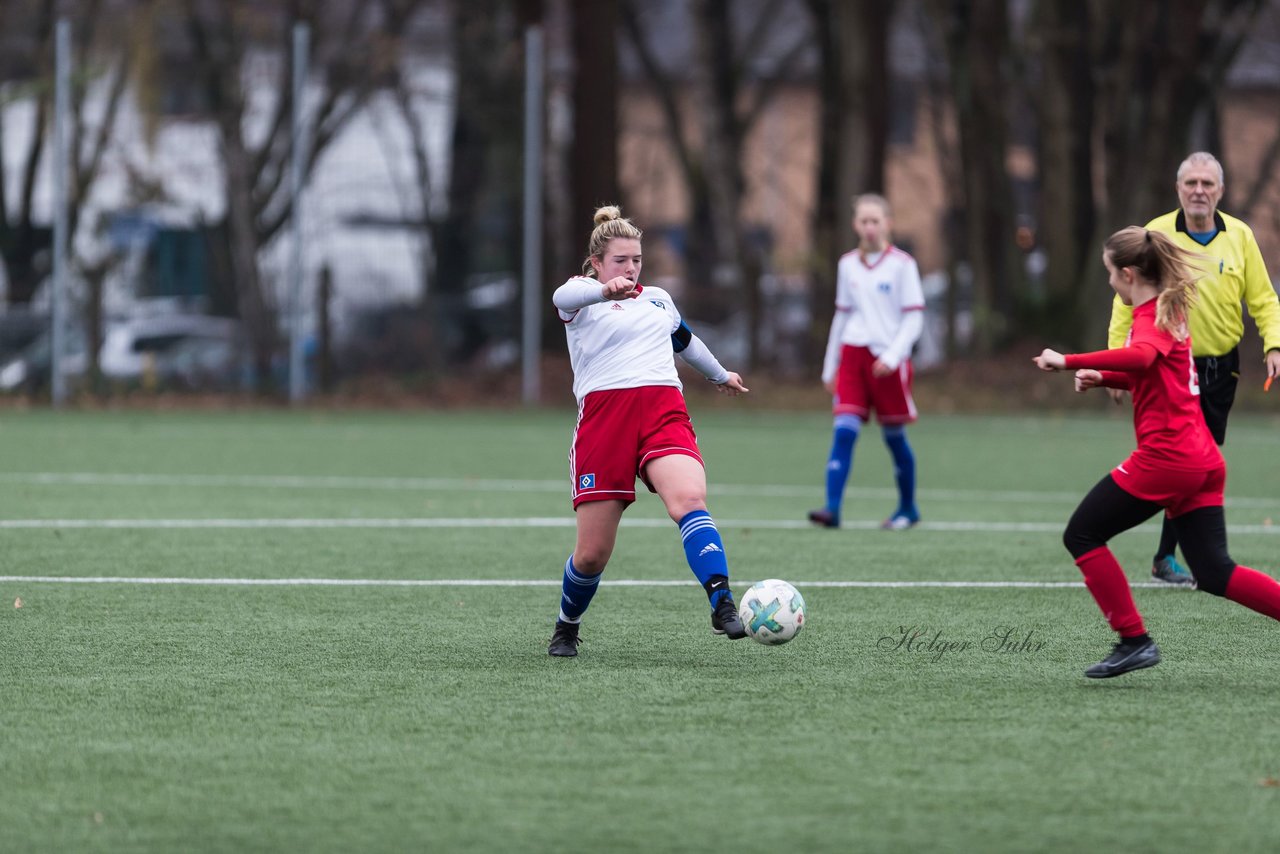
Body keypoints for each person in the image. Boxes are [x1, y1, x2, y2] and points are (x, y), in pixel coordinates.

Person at [1034, 226, 1280, 678]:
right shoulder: (1170, 307)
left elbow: (1144, 357)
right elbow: (1153, 370)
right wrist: (1103, 378)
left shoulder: (1153, 317)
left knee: (1082, 535)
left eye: (1110, 274)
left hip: (1169, 459)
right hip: (1201, 458)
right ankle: (1135, 641)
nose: (1109, 282)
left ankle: (1134, 640)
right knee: (1214, 572)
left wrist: (1071, 361)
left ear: (1128, 274)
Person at [547, 205, 751, 657]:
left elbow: (686, 342)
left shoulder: (657, 297)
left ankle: (722, 602)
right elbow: (562, 297)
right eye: (621, 260)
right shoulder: (583, 294)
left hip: (663, 410)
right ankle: (567, 625)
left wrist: (721, 375)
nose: (631, 268)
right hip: (606, 421)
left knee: (690, 500)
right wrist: (603, 290)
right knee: (593, 554)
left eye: (636, 260)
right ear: (598, 261)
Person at [1107, 151, 1280, 587]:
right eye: (1191, 183)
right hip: (1168, 368)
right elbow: (1124, 298)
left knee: (1200, 465)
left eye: (1207, 184)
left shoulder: (1240, 236)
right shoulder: (1155, 235)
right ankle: (1175, 556)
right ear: (1178, 189)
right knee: (1180, 461)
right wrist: (1115, 361)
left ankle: (1177, 556)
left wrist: (1274, 343)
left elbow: (1262, 299)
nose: (1199, 191)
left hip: (1223, 368)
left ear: (1220, 191)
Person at [808, 193, 925, 530]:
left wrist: (893, 355)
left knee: (894, 438)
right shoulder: (847, 264)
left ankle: (908, 508)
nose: (870, 227)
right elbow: (842, 316)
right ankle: (832, 509)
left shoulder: (903, 265)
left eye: (876, 221)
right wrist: (831, 365)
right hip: (853, 359)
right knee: (844, 431)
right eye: (864, 221)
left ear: (887, 223)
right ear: (855, 224)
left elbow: (914, 319)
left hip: (887, 361)